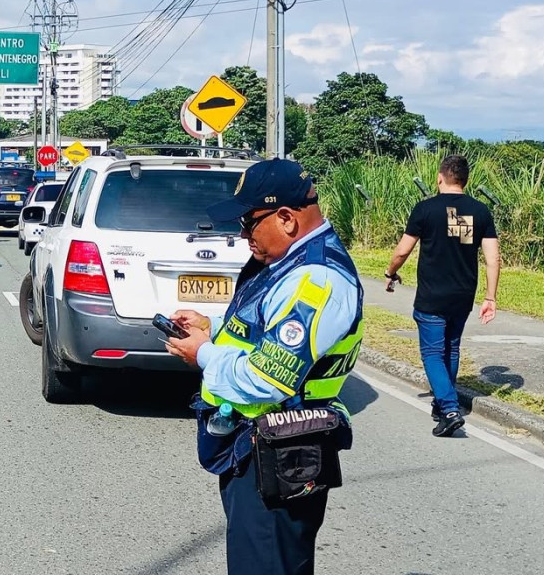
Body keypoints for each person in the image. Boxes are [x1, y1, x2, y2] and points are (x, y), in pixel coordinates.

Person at [165, 158, 363, 575]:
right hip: (259, 445)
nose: (241, 236)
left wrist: (202, 353)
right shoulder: (288, 262)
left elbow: (265, 378)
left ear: (287, 218)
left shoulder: (318, 280)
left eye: (248, 223)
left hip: (282, 452)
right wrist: (212, 326)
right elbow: (265, 329)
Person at [384, 154, 500, 437]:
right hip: (463, 294)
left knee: (433, 352)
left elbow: (402, 251)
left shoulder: (426, 209)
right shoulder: (480, 211)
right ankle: (442, 401)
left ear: (440, 177)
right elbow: (494, 259)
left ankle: (449, 409)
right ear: (465, 179)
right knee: (452, 347)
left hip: (432, 295)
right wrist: (490, 297)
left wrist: (390, 273)